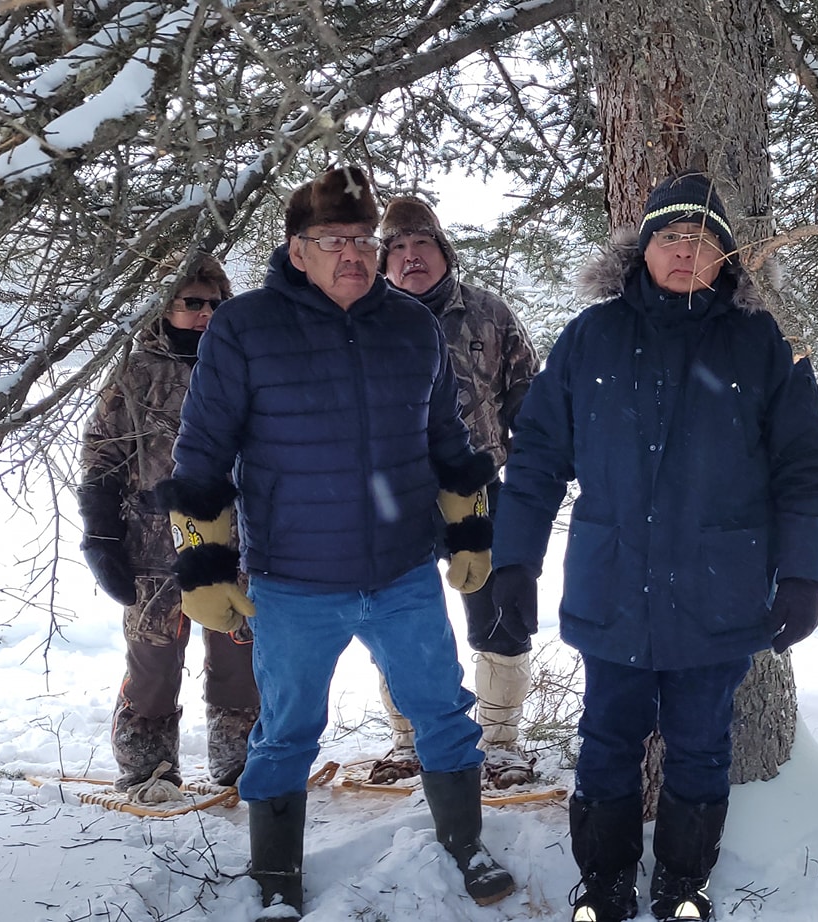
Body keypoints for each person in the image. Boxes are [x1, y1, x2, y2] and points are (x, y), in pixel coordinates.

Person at [160, 165, 514, 916]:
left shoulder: (411, 326)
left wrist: (469, 531)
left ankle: (464, 839)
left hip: (402, 575)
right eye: (331, 241)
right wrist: (206, 566)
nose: (351, 254)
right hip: (294, 580)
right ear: (297, 250)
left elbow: (448, 439)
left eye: (362, 239)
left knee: (444, 712)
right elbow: (201, 455)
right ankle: (277, 875)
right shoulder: (244, 328)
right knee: (287, 729)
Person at [489, 171, 818, 922]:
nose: (687, 251)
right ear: (639, 250)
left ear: (729, 260)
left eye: (705, 240)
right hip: (612, 585)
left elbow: (805, 470)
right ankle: (606, 885)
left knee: (702, 743)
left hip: (719, 591)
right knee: (607, 741)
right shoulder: (592, 336)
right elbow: (541, 455)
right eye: (671, 236)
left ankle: (683, 885)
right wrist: (515, 561)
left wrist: (805, 575)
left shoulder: (761, 343)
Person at [368, 195, 541, 789]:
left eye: (422, 246)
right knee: (399, 621)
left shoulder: (489, 315)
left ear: (444, 253)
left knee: (499, 612)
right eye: (397, 250)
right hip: (393, 494)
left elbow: (529, 403)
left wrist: (532, 482)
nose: (411, 258)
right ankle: (408, 739)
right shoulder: (362, 319)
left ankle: (500, 742)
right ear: (382, 261)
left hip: (482, 487)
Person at [79, 254, 258, 803]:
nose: (205, 314)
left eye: (216, 304)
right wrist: (101, 535)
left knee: (239, 652)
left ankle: (242, 760)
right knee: (154, 656)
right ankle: (147, 768)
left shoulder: (245, 364)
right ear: (168, 308)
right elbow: (100, 457)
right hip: (154, 546)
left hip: (234, 543)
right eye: (193, 304)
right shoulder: (137, 372)